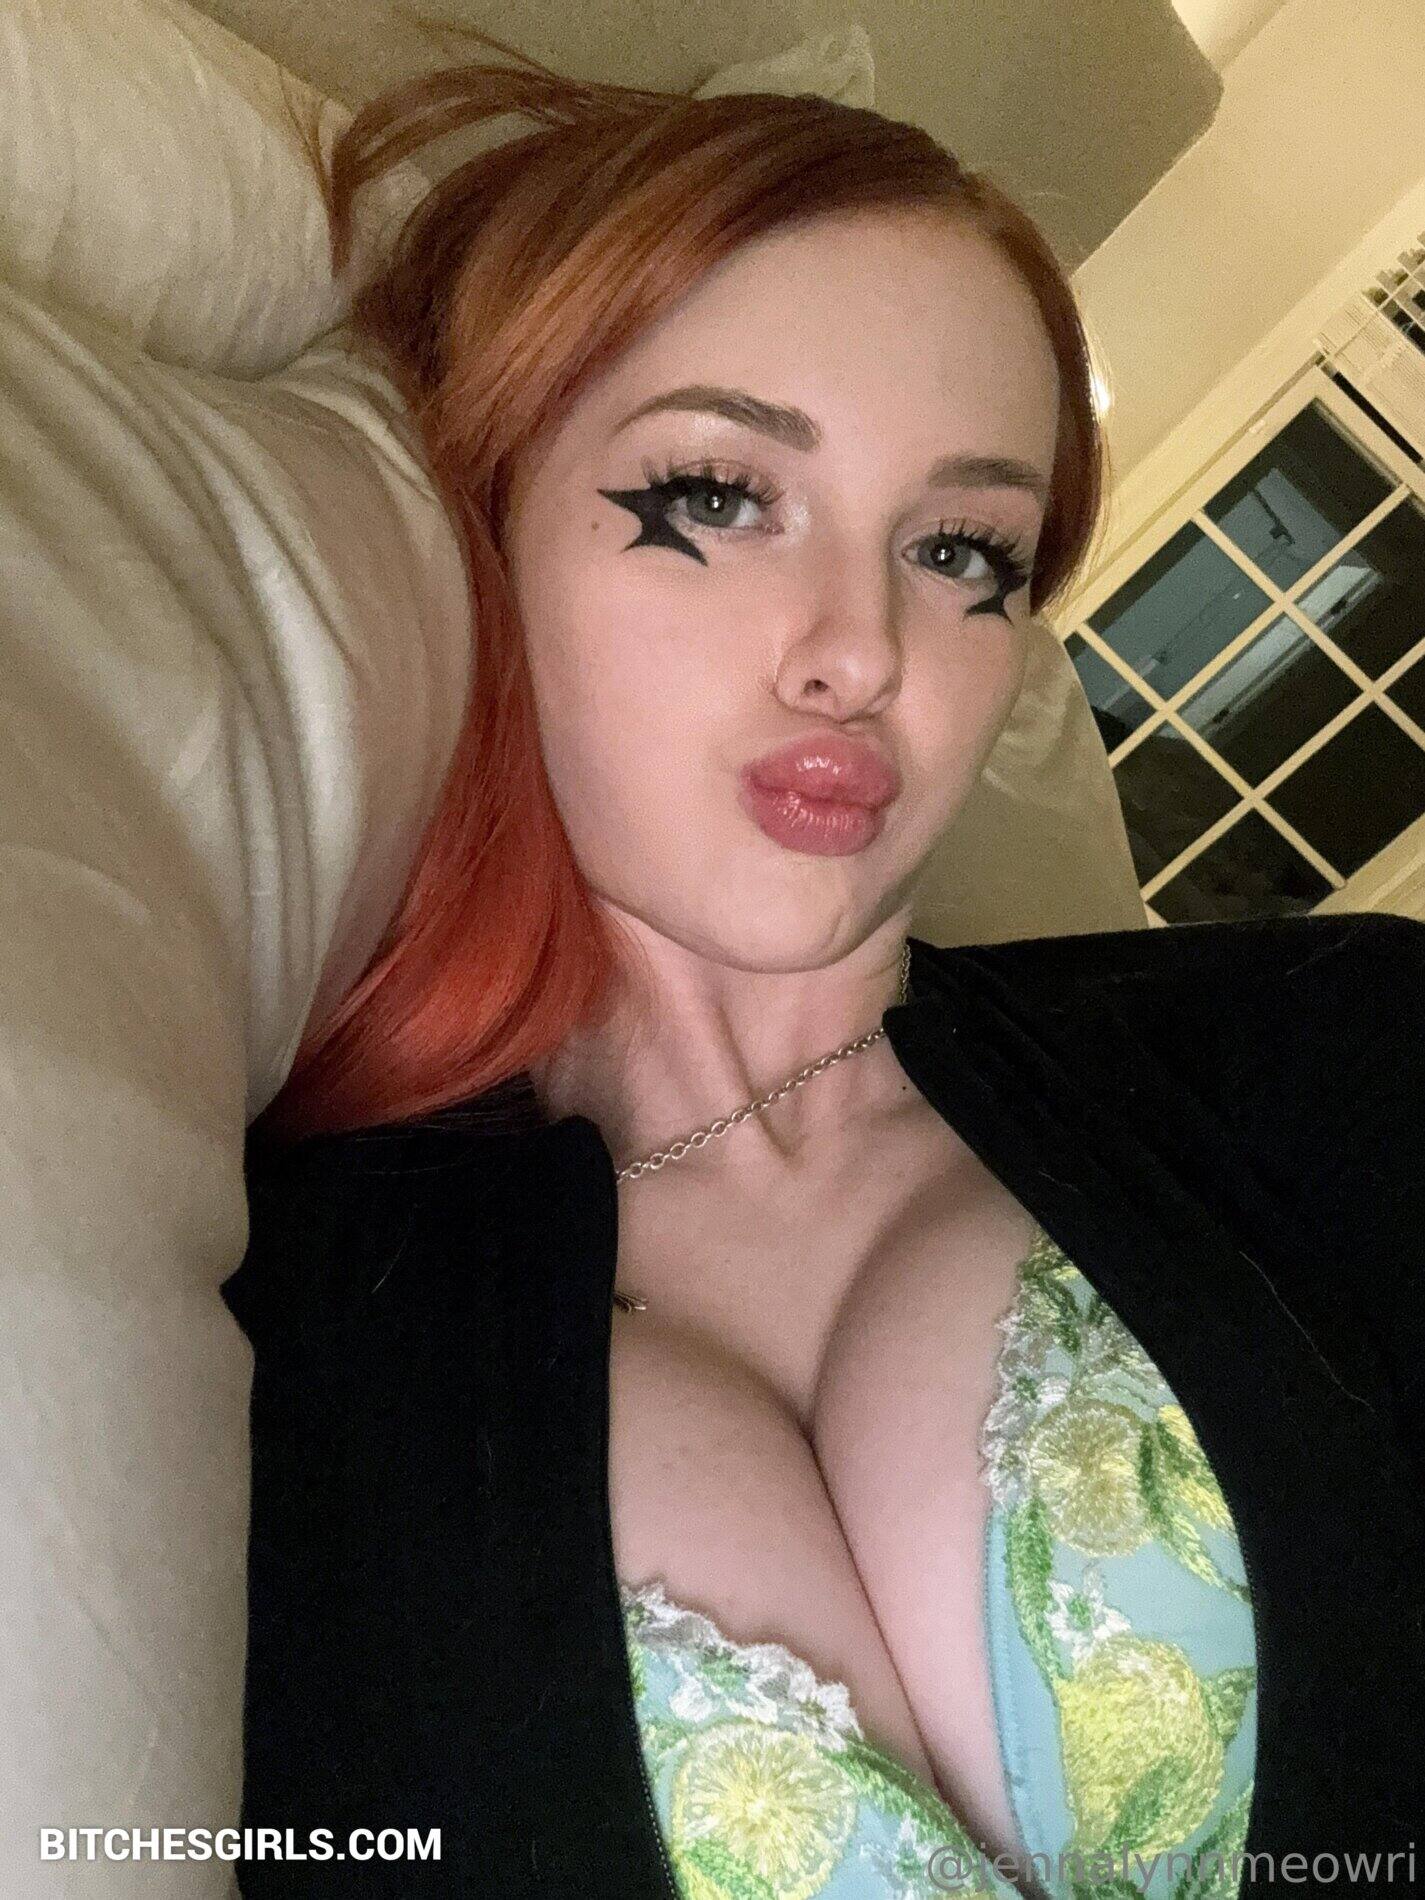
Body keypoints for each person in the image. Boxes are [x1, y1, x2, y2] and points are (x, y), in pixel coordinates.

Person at [224, 27, 1425, 1899]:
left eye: (960, 550)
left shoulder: (1338, 1048)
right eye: (717, 496)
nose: (860, 647)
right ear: (479, 514)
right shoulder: (261, 1331)